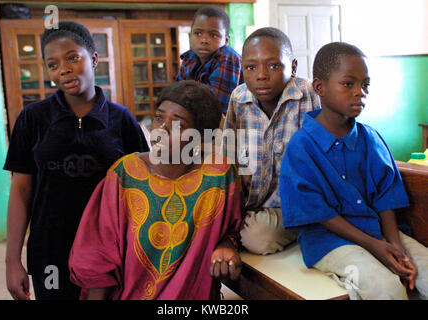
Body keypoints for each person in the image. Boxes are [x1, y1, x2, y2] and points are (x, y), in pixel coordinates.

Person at [4, 21, 149, 300]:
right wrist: (12, 260)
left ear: (93, 59)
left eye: (73, 58)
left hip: (110, 249)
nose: (64, 69)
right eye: (53, 64)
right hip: (50, 249)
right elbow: (21, 190)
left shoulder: (121, 120)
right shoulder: (33, 119)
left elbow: (141, 187)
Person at [279, 42, 428, 300]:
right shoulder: (301, 147)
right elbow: (318, 213)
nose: (360, 93)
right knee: (386, 288)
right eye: (348, 84)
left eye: (365, 85)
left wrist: (394, 245)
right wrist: (374, 246)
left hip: (378, 231)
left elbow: (385, 196)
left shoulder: (370, 138)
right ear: (320, 88)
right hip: (329, 241)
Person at [69, 80, 243, 300]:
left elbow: (232, 229)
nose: (161, 130)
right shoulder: (125, 174)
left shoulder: (218, 176)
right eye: (159, 118)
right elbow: (97, 256)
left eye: (177, 123)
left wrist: (227, 245)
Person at [223, 27, 320, 255]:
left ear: (293, 67)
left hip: (293, 205)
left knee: (259, 238)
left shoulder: (310, 95)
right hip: (250, 204)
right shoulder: (239, 98)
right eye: (251, 67)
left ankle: (307, 226)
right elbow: (228, 155)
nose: (261, 75)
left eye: (274, 65)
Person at [174, 5, 243, 113]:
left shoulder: (228, 57)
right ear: (190, 35)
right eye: (198, 33)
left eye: (213, 35)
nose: (204, 40)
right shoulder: (189, 57)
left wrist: (186, 96)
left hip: (229, 126)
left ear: (225, 40)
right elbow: (175, 95)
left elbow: (214, 106)